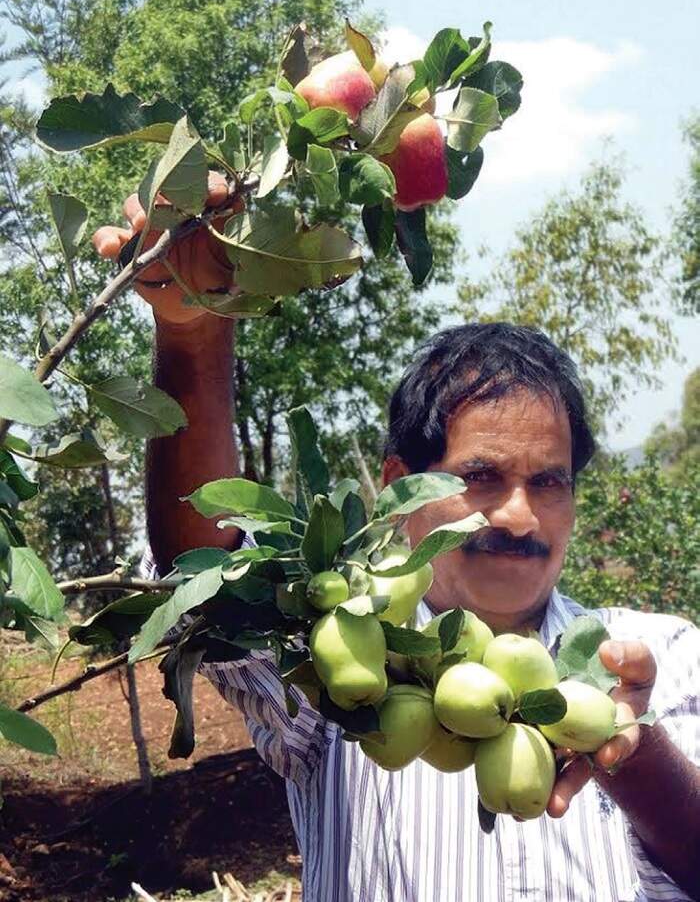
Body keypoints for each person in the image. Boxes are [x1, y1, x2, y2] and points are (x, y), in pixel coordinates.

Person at [95, 178, 700, 902]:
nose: (519, 516)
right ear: (399, 486)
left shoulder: (658, 659)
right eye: (481, 476)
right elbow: (207, 574)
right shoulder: (337, 658)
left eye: (549, 482)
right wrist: (195, 330)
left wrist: (632, 753)